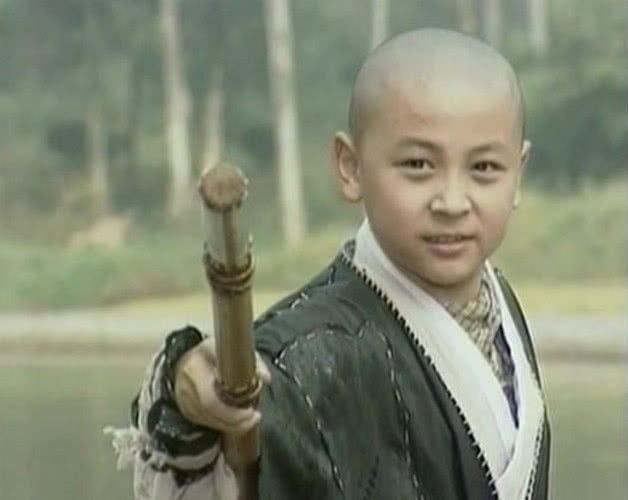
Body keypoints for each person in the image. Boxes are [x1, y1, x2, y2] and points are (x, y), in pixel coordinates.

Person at [108, 28, 551, 499]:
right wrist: (182, 392)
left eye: (484, 168)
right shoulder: (296, 356)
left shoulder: (500, 306)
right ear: (350, 166)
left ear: (518, 173)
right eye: (419, 165)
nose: (452, 201)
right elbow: (206, 440)